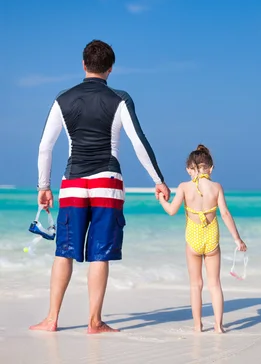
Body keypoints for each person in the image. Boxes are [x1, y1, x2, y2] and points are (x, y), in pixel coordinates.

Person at [30, 40, 170, 334]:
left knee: (64, 251)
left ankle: (52, 319)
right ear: (110, 68)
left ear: (83, 65)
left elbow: (45, 147)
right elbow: (138, 142)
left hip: (73, 182)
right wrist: (158, 180)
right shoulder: (120, 99)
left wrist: (44, 185)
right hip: (107, 181)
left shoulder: (63, 99)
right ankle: (94, 322)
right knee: (100, 253)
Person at [158, 144, 247, 333]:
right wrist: (237, 239)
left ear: (189, 169)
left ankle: (198, 326)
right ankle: (218, 326)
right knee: (214, 284)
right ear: (211, 168)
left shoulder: (184, 187)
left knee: (195, 284)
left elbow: (172, 211)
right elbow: (225, 214)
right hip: (212, 237)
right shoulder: (216, 187)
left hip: (193, 238)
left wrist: (161, 200)